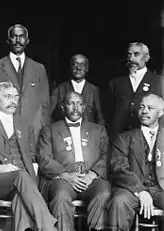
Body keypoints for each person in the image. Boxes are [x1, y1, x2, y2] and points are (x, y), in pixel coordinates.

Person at [0, 81, 57, 231]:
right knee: (20, 176)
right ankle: (49, 227)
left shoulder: (24, 124)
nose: (13, 101)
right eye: (8, 96)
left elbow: (32, 156)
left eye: (16, 97)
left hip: (22, 184)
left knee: (20, 196)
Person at [37, 91, 110, 231]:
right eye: (71, 103)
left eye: (79, 104)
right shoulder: (49, 130)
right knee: (61, 195)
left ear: (84, 107)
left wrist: (92, 175)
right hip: (63, 179)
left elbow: (106, 156)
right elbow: (44, 158)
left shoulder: (98, 130)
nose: (75, 108)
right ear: (63, 107)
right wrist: (66, 175)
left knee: (103, 193)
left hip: (91, 178)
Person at [0, 24, 50, 141]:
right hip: (2, 133)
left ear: (27, 41)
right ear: (8, 40)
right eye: (14, 36)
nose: (18, 40)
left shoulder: (39, 69)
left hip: (32, 133)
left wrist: (42, 133)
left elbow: (45, 105)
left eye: (21, 37)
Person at [108, 93, 164, 231]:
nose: (144, 111)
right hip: (131, 188)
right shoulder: (123, 138)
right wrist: (141, 191)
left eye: (150, 108)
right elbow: (119, 168)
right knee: (119, 202)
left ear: (161, 113)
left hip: (160, 188)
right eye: (142, 107)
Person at [108, 42, 163, 139]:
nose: (131, 59)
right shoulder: (116, 82)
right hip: (120, 137)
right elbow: (109, 112)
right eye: (129, 55)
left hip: (149, 137)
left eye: (136, 54)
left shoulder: (159, 81)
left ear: (147, 58)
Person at [50, 54, 104, 125]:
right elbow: (48, 114)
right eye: (75, 64)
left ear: (87, 68)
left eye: (82, 65)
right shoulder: (59, 89)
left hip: (88, 133)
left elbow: (100, 117)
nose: (78, 68)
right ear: (70, 67)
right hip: (64, 133)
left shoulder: (94, 90)